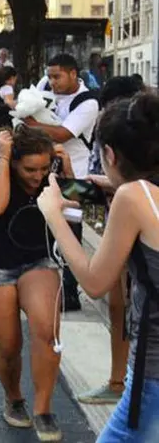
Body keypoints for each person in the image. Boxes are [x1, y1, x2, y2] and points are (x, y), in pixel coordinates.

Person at [38, 93, 159, 441]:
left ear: (109, 154)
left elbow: (94, 281)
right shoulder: (140, 193)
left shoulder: (133, 196)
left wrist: (53, 215)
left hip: (152, 375)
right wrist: (107, 187)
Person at [0, 125, 74, 442]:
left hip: (37, 257)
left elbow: (78, 206)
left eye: (43, 168)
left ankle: (43, 409)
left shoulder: (51, 169)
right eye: (29, 169)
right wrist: (4, 156)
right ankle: (14, 397)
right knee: (9, 346)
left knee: (46, 329)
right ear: (14, 161)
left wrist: (64, 169)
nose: (37, 176)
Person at [77, 76, 142, 406]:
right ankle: (119, 380)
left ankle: (122, 381)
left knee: (127, 306)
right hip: (118, 227)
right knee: (120, 306)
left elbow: (91, 282)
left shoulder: (118, 137)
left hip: (129, 234)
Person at [25, 53, 101, 312]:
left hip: (77, 179)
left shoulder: (88, 102)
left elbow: (64, 133)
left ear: (73, 73)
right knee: (44, 232)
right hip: (49, 174)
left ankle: (69, 294)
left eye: (57, 76)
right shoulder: (45, 88)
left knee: (71, 234)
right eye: (50, 76)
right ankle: (46, 288)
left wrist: (29, 122)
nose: (52, 82)